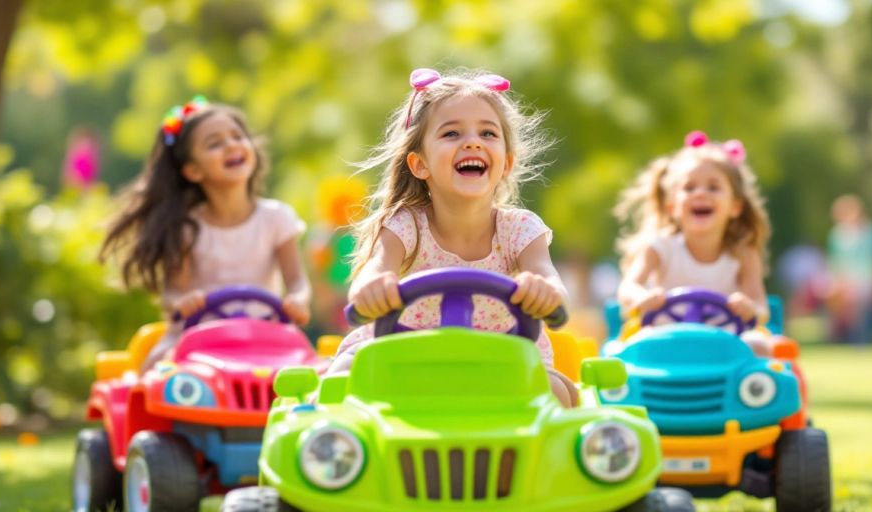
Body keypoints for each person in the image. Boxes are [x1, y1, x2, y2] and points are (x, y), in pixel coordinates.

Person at [328, 68, 579, 407]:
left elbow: (553, 285)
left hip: (502, 363)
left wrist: (545, 293)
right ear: (419, 165)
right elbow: (373, 273)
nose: (472, 141)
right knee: (343, 377)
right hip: (405, 358)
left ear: (506, 163)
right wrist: (371, 290)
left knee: (558, 394)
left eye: (488, 133)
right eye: (451, 134)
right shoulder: (406, 225)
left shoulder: (521, 229)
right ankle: (334, 447)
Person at [99, 96, 312, 371]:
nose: (231, 145)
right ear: (193, 171)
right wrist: (182, 302)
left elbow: (297, 281)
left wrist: (297, 300)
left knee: (310, 370)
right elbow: (171, 294)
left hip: (264, 336)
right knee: (157, 365)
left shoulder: (276, 218)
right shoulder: (188, 229)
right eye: (215, 143)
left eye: (237, 136)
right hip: (198, 338)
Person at [613, 130, 773, 355]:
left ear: (736, 206)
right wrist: (640, 297)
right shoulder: (660, 247)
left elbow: (761, 307)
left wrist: (751, 308)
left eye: (713, 187)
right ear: (672, 206)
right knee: (630, 348)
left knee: (759, 346)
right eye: (689, 187)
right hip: (665, 339)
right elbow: (628, 287)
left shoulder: (743, 254)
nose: (700, 193)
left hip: (725, 342)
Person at [826, 194, 872, 344]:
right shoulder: (837, 234)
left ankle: (861, 339)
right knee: (844, 308)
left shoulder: (871, 232)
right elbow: (835, 261)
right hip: (845, 278)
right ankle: (843, 336)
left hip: (865, 277)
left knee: (862, 310)